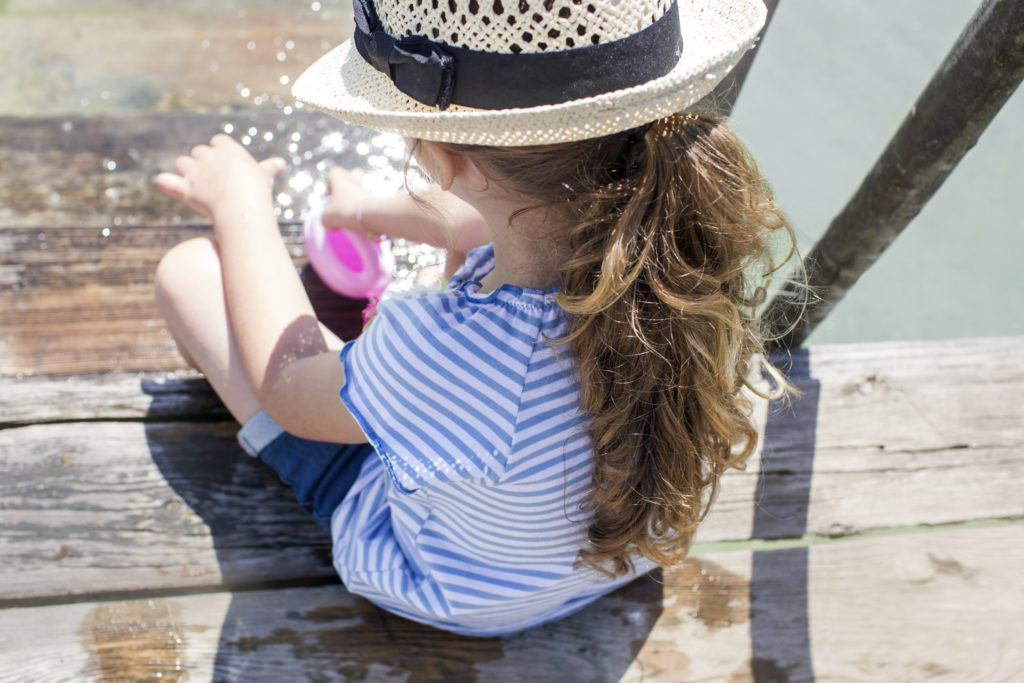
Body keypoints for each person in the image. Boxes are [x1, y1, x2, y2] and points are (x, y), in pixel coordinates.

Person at [153, 0, 794, 636]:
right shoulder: (681, 246)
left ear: (444, 157)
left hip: (453, 589)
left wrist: (241, 206)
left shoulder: (439, 352)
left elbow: (288, 391)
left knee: (186, 273)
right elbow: (473, 215)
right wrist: (365, 212)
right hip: (606, 556)